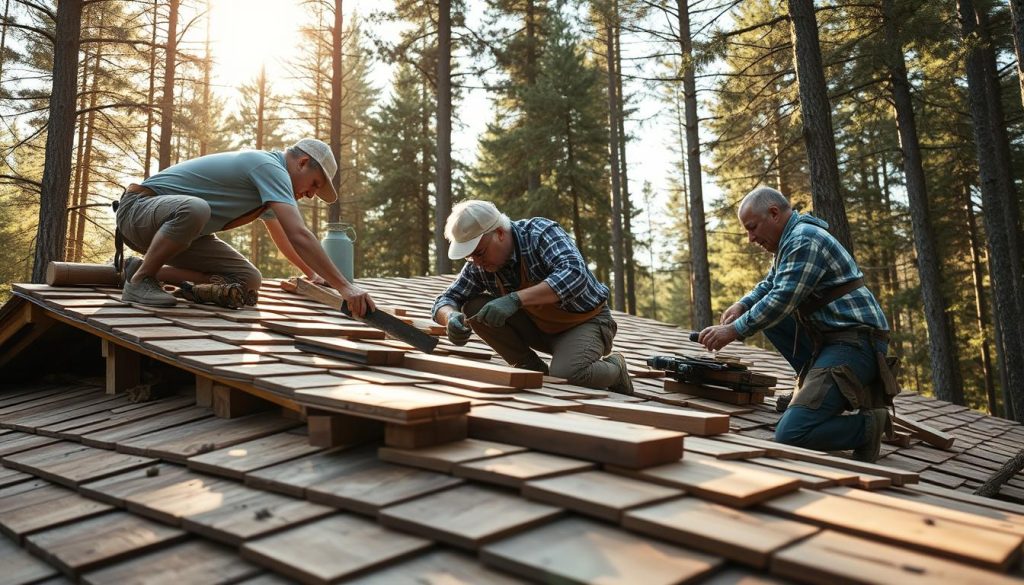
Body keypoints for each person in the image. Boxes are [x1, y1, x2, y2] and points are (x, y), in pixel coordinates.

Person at [697, 187, 892, 462]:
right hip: (832, 340)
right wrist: (743, 304)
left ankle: (869, 426)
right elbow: (770, 285)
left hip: (854, 344)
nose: (751, 238)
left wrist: (733, 330)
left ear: (774, 213)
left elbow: (781, 298)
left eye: (752, 228)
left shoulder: (804, 240)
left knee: (791, 434)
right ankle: (811, 387)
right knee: (766, 316)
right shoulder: (790, 240)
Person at [115, 138, 373, 316]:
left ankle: (144, 269)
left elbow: (284, 237)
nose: (311, 195)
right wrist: (345, 287)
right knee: (196, 208)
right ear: (302, 162)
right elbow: (299, 234)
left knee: (249, 280)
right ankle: (138, 282)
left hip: (173, 232)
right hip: (138, 211)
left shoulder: (272, 189)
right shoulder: (269, 167)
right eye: (315, 184)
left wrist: (313, 274)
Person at [432, 200, 633, 394]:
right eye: (470, 256)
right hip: (539, 328)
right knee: (472, 306)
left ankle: (615, 369)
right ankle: (530, 367)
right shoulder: (479, 264)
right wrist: (449, 317)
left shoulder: (539, 233)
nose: (475, 262)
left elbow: (575, 274)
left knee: (569, 375)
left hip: (585, 323)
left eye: (479, 253)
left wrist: (514, 299)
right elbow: (447, 299)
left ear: (499, 233)